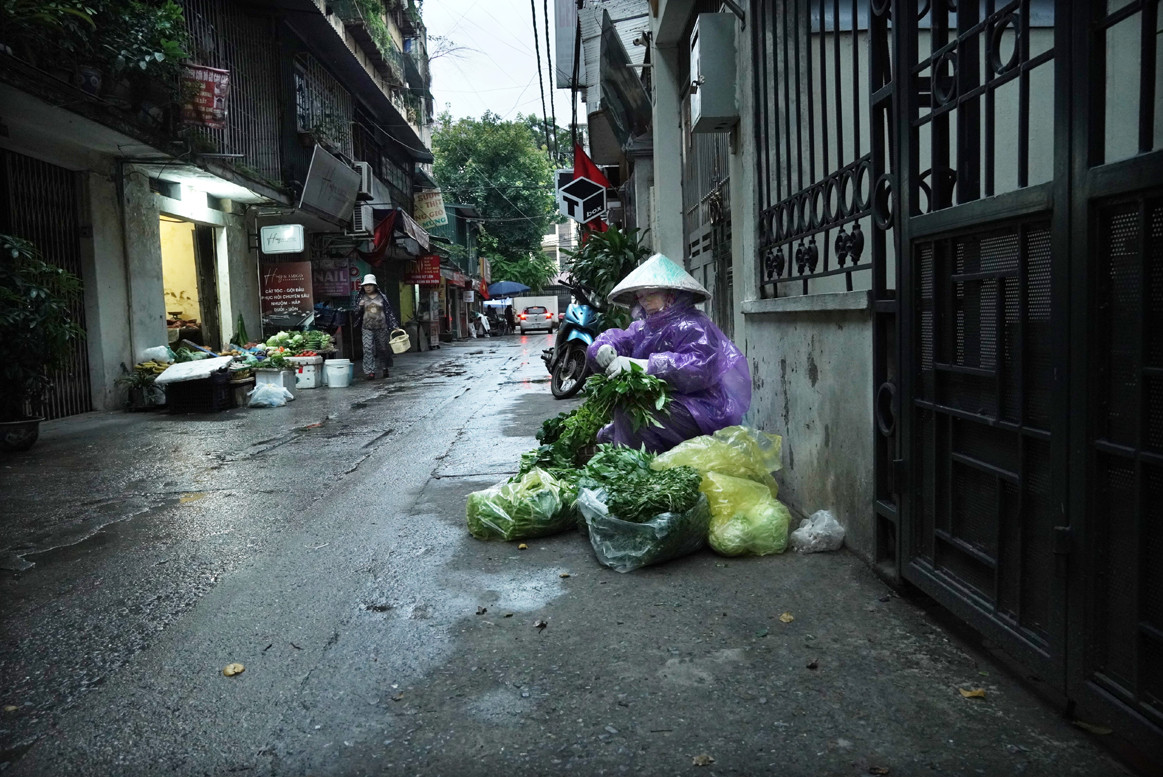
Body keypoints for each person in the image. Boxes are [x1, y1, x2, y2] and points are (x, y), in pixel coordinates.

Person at [586, 253, 751, 453]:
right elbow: (618, 338)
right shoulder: (645, 327)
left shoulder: (693, 325)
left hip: (701, 408)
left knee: (632, 412)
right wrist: (602, 348)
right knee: (613, 429)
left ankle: (645, 470)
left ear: (670, 293)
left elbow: (698, 368)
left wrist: (645, 365)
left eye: (651, 294)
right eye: (640, 296)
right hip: (670, 402)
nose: (644, 301)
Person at [353, 274, 399, 379]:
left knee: (383, 348)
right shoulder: (361, 297)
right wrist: (359, 306)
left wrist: (394, 326)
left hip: (381, 327)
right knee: (368, 348)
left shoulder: (382, 297)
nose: (368, 287)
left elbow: (388, 312)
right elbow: (356, 313)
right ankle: (370, 371)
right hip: (367, 327)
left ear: (375, 286)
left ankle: (384, 368)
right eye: (366, 285)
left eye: (370, 285)